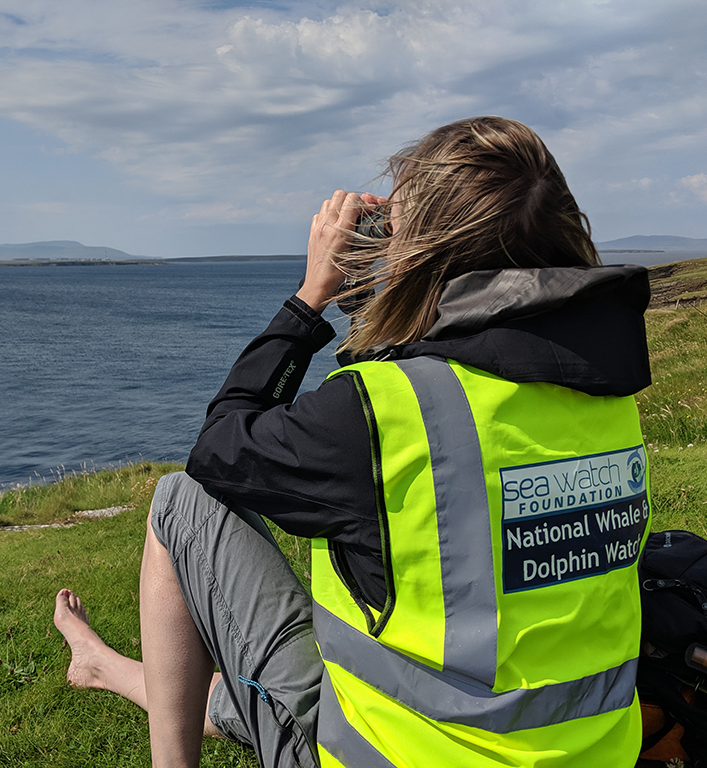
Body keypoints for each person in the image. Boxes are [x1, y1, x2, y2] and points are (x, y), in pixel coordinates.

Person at [53, 116, 653, 767]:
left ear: (420, 254)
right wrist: (389, 295)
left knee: (180, 500)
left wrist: (311, 295)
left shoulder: (379, 414)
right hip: (588, 751)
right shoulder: (608, 397)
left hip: (386, 753)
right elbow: (465, 361)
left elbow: (221, 448)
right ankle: (104, 666)